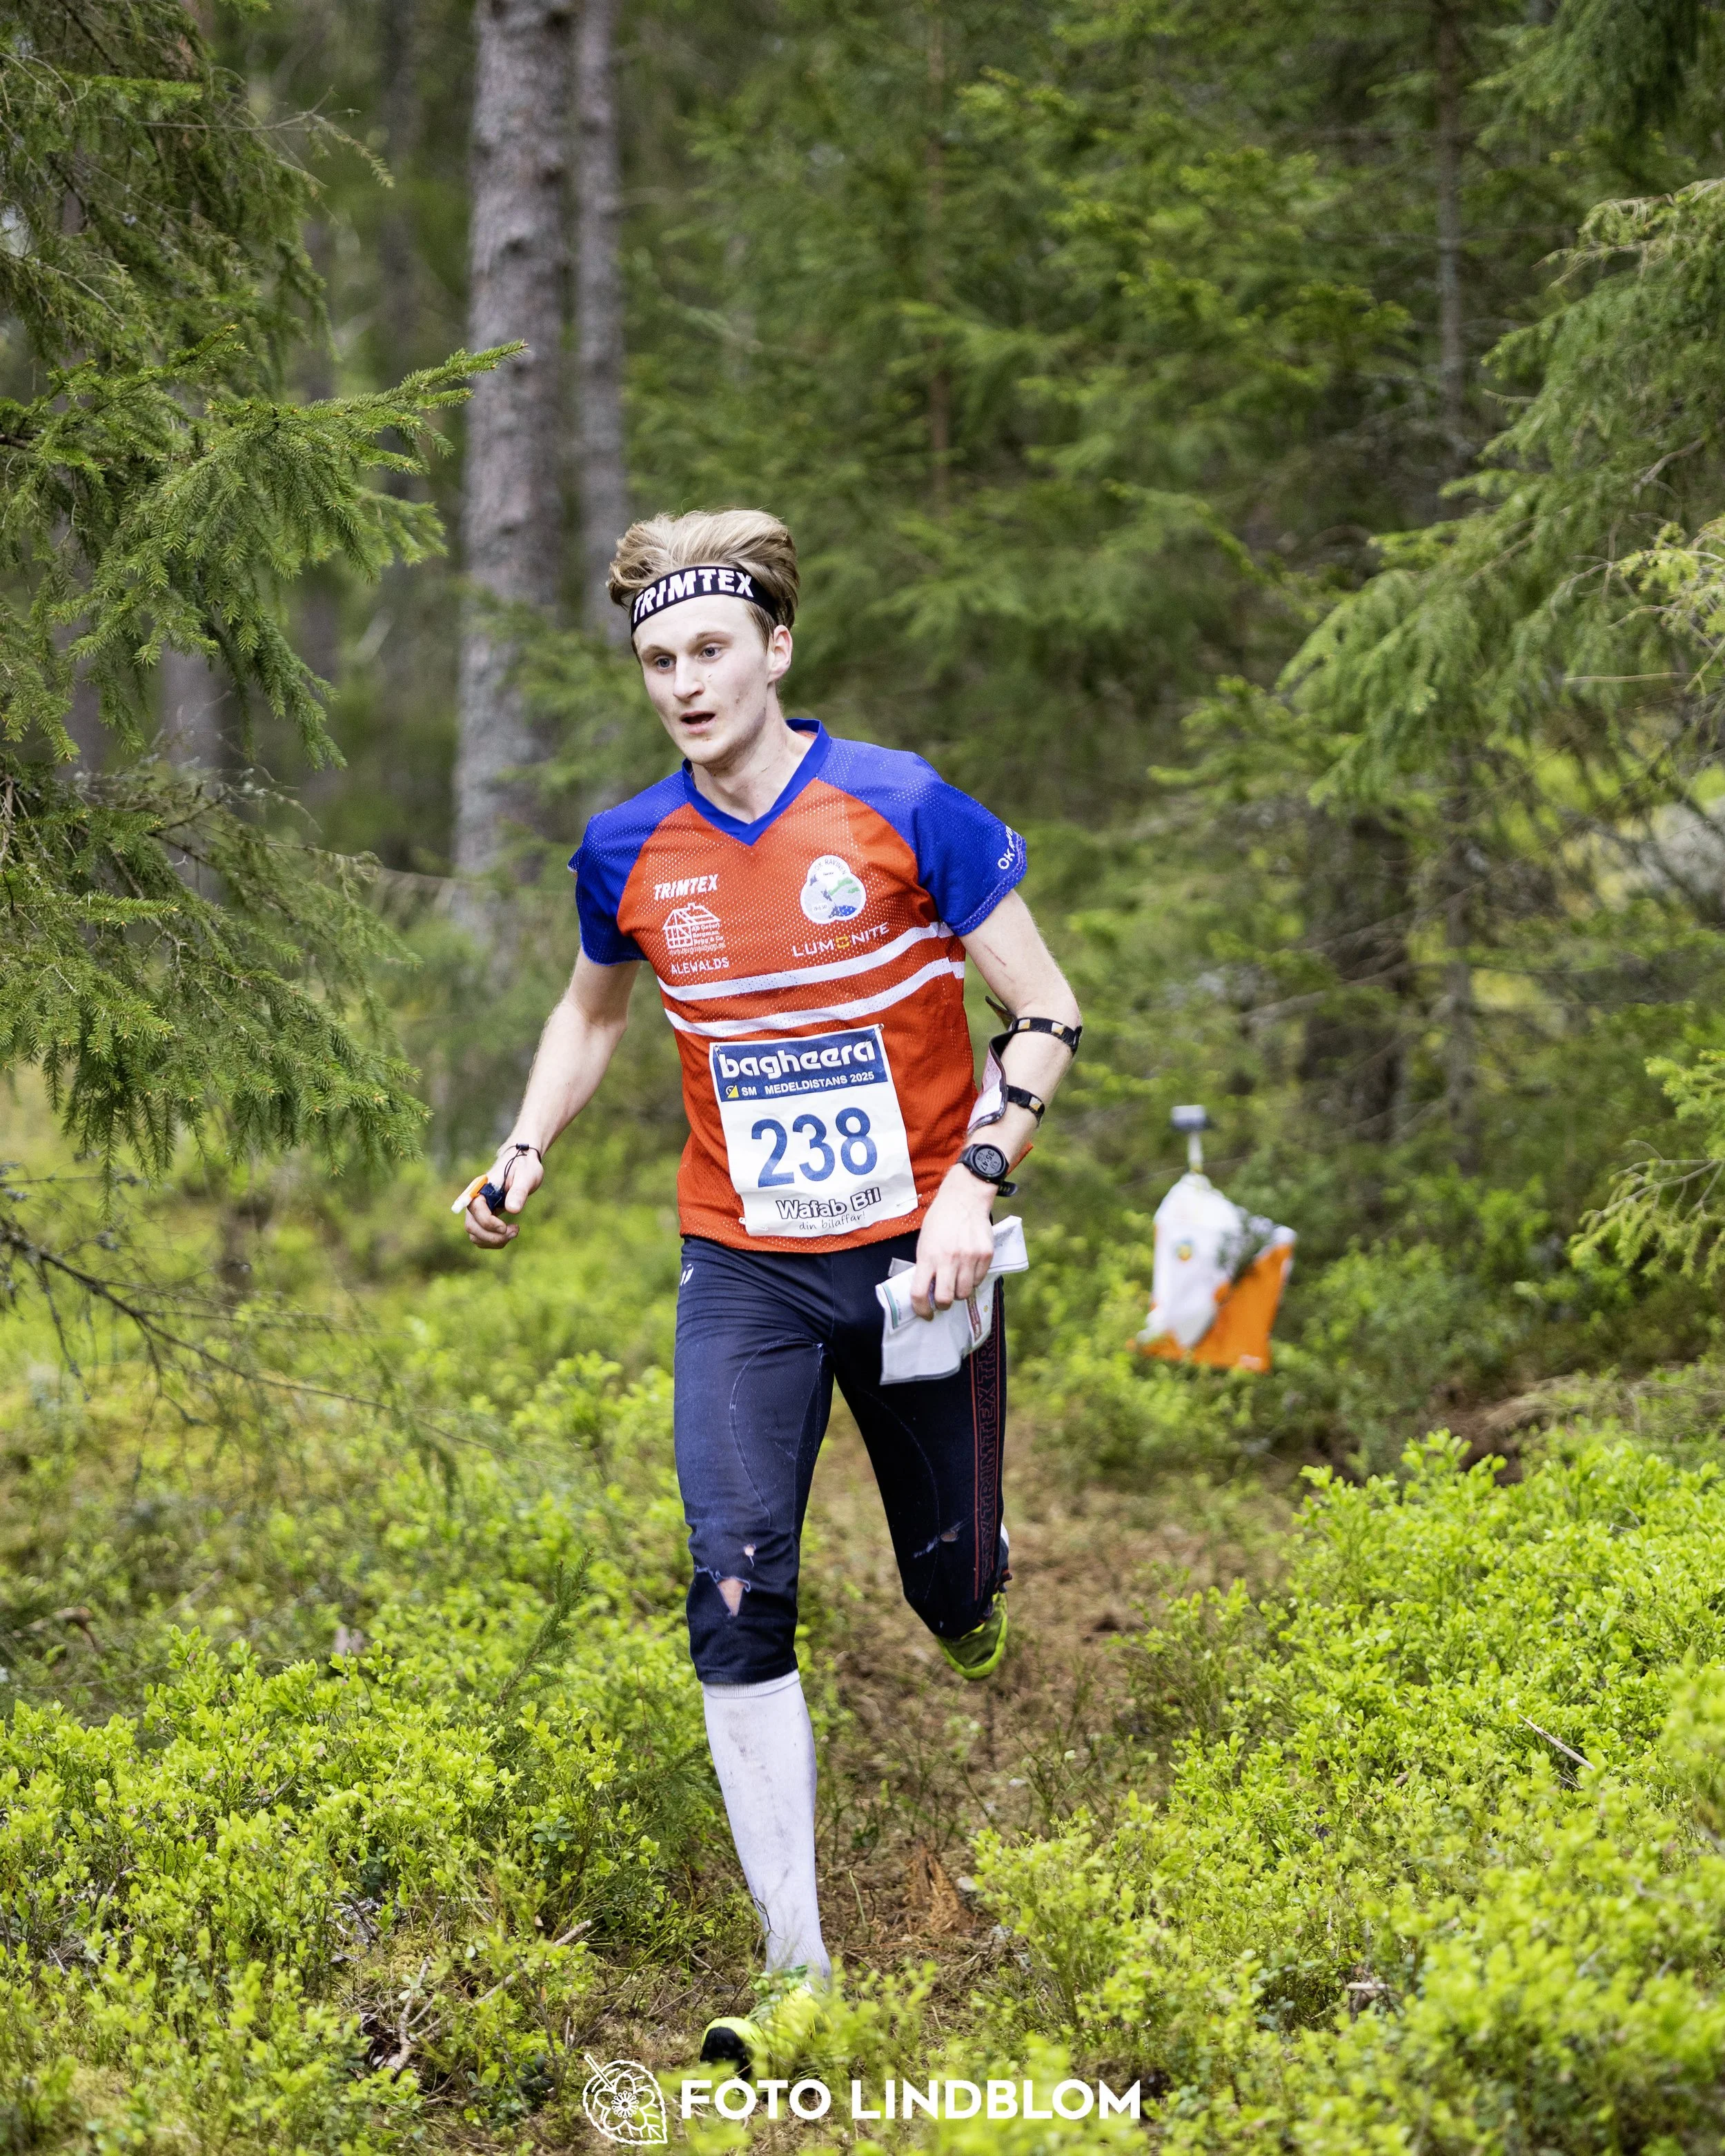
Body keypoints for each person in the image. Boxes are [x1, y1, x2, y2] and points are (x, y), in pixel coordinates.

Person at [463, 507, 1081, 2073]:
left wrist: (973, 1183)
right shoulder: (627, 847)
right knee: (734, 1581)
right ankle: (797, 1965)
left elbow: (1049, 1013)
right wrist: (525, 1145)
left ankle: (971, 1589)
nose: (682, 679)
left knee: (951, 1595)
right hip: (740, 1261)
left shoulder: (898, 805)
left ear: (775, 648)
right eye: (656, 656)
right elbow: (593, 1014)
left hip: (919, 1257)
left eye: (709, 647)